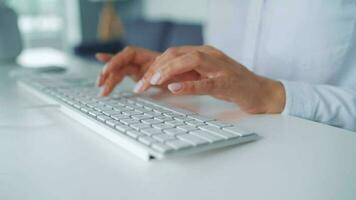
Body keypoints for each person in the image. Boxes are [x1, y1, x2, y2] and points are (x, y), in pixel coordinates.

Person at [95, 0, 356, 131]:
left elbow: (254, 88)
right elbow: (230, 78)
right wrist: (182, 74)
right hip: (219, 136)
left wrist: (271, 94)